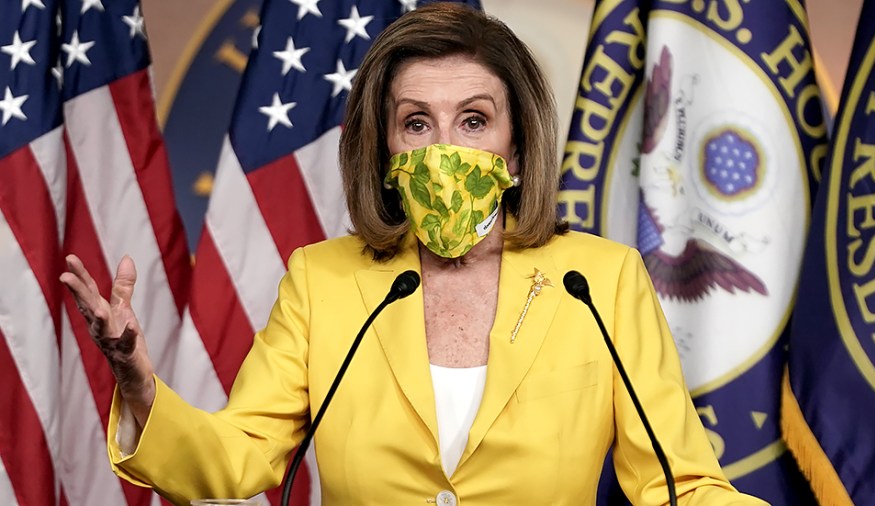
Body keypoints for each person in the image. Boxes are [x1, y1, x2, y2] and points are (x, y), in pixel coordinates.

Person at [61, 3, 769, 505]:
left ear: (516, 151)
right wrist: (139, 383)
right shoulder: (323, 283)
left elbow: (680, 486)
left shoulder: (601, 282)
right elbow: (235, 458)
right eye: (416, 124)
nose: (444, 150)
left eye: (473, 120)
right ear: (387, 149)